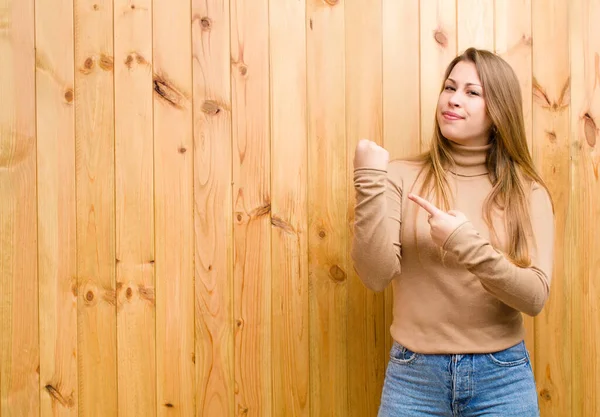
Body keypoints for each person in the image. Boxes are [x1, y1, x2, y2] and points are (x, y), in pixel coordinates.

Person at [351, 47, 554, 417]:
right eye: (449, 87)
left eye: (472, 92)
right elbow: (375, 275)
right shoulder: (400, 175)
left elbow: (535, 297)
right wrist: (368, 181)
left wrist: (466, 244)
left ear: (499, 111)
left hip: (502, 381)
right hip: (413, 379)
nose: (453, 99)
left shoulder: (528, 191)